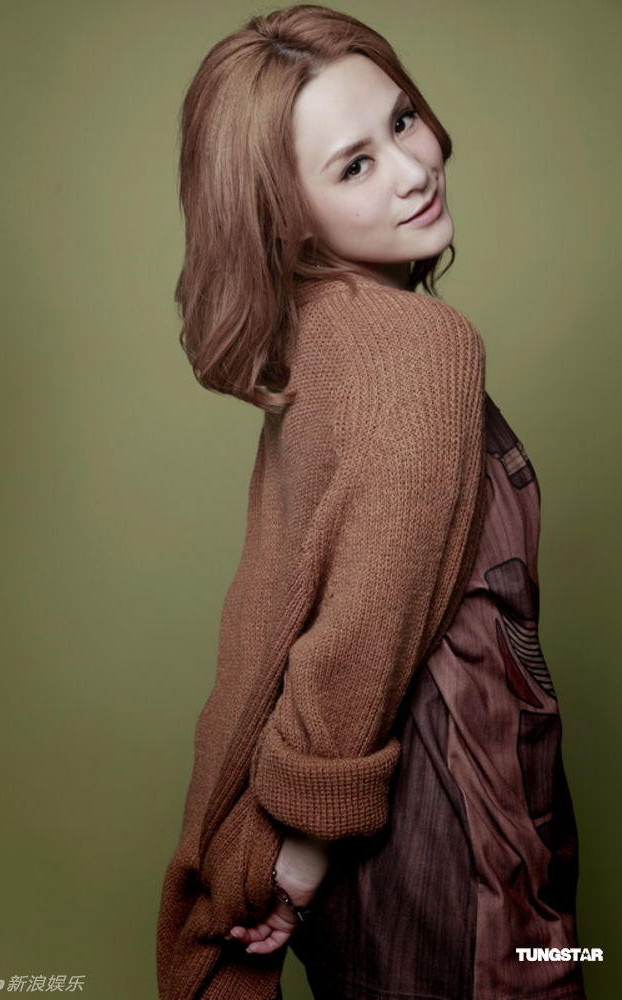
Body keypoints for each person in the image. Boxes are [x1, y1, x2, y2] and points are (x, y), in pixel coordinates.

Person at [156, 5, 585, 999]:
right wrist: (304, 852)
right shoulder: (417, 347)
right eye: (354, 165)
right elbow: (363, 622)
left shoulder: (322, 336)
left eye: (402, 120)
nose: (412, 168)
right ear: (289, 216)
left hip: (388, 840)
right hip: (443, 810)